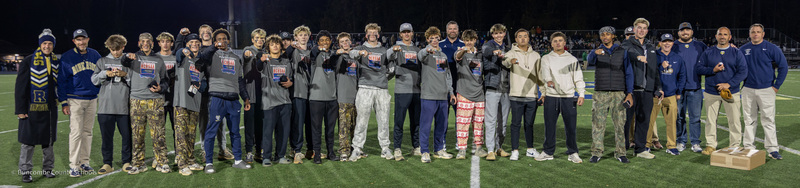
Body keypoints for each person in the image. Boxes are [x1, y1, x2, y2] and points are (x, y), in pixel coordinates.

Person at [200, 28, 252, 173]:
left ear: (228, 40)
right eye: (219, 39)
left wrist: (245, 98)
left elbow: (240, 80)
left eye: (224, 39)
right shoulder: (212, 54)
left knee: (235, 131)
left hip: (234, 99)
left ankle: (237, 160)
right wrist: (213, 47)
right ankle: (209, 163)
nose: (222, 41)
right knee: (211, 131)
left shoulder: (236, 58)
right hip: (217, 97)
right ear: (215, 42)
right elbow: (202, 57)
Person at [122, 33, 170, 174]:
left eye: (148, 41)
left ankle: (162, 162)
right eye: (143, 41)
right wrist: (126, 57)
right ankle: (138, 163)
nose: (145, 43)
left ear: (152, 43)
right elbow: (124, 62)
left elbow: (165, 80)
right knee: (137, 135)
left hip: (155, 101)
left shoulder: (159, 59)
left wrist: (162, 88)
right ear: (139, 43)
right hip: (136, 100)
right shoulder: (133, 57)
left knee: (158, 134)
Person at [16, 29, 60, 182]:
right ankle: (26, 171)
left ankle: (48, 168)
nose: (47, 46)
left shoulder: (56, 61)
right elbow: (20, 87)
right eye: (44, 43)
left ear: (53, 45)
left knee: (48, 141)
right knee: (28, 141)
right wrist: (20, 109)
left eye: (49, 43)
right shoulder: (28, 61)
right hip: (31, 107)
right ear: (40, 44)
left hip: (50, 109)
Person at [695, 27, 748, 155]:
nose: (722, 36)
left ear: (730, 37)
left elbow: (743, 72)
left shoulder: (736, 52)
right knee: (710, 120)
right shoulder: (708, 52)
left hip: (731, 92)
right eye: (720, 34)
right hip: (711, 92)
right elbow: (699, 68)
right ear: (716, 36)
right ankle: (711, 145)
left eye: (725, 34)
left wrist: (729, 84)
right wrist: (713, 70)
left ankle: (734, 145)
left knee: (734, 120)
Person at [536, 31, 586, 164]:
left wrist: (581, 94)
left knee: (571, 127)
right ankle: (548, 152)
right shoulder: (546, 58)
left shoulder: (572, 59)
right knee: (549, 126)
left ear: (565, 43)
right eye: (555, 41)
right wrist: (546, 89)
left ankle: (573, 152)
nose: (558, 43)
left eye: (560, 40)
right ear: (551, 43)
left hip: (568, 97)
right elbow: (544, 75)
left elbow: (578, 78)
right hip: (551, 97)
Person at [587, 26, 634, 164]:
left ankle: (620, 152)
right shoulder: (596, 51)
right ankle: (596, 152)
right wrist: (595, 53)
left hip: (618, 93)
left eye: (608, 34)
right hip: (601, 92)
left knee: (620, 125)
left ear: (613, 36)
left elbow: (629, 73)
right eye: (602, 35)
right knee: (598, 124)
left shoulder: (622, 52)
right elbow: (590, 61)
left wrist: (629, 93)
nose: (605, 37)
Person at [740, 23, 787, 159]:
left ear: (763, 34)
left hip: (767, 89)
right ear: (749, 34)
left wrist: (776, 86)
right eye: (753, 32)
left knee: (768, 119)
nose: (755, 34)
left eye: (758, 32)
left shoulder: (772, 48)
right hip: (748, 89)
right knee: (749, 119)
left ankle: (772, 149)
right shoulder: (743, 49)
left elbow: (783, 66)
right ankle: (748, 146)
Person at [58, 28, 102, 177]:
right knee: (76, 132)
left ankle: (84, 162)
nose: (81, 42)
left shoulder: (95, 54)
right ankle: (74, 165)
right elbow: (61, 81)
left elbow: (100, 75)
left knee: (88, 132)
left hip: (92, 98)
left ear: (88, 39)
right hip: (75, 99)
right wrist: (64, 102)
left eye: (83, 39)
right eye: (78, 39)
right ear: (74, 41)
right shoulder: (67, 57)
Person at [348, 23, 394, 162]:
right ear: (366, 34)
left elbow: (391, 69)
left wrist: (382, 79)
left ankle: (385, 148)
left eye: (375, 32)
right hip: (365, 88)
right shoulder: (360, 48)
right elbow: (351, 53)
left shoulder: (384, 50)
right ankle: (357, 148)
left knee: (384, 120)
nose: (372, 34)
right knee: (361, 120)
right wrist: (360, 53)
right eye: (370, 32)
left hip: (381, 89)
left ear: (378, 35)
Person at [91, 34, 133, 174]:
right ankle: (107, 163)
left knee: (127, 137)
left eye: (118, 49)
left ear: (123, 47)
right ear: (108, 48)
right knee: (106, 138)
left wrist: (125, 75)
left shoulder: (129, 61)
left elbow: (136, 82)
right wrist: (104, 73)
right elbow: (94, 80)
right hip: (105, 107)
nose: (116, 52)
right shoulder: (102, 61)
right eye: (113, 49)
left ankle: (127, 161)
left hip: (124, 107)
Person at [620, 18, 660, 159]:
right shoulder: (627, 43)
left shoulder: (651, 47)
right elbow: (628, 53)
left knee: (643, 120)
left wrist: (658, 87)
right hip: (631, 89)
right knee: (625, 121)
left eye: (644, 28)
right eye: (639, 27)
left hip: (647, 90)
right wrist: (638, 57)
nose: (641, 30)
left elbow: (654, 69)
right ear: (634, 29)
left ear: (647, 31)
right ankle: (622, 149)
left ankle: (640, 149)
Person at [502, 28, 542, 161]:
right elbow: (505, 62)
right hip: (516, 94)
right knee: (515, 123)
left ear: (529, 38)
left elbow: (540, 75)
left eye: (525, 36)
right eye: (520, 36)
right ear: (516, 39)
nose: (523, 38)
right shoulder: (511, 53)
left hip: (532, 95)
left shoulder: (536, 55)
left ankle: (530, 149)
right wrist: (510, 61)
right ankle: (515, 150)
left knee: (529, 124)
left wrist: (544, 91)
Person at [417, 26, 456, 163]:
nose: (434, 40)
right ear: (427, 39)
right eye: (431, 38)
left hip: (443, 96)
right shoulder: (426, 53)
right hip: (428, 96)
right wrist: (427, 50)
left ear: (439, 38)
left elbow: (447, 76)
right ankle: (425, 151)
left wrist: (451, 92)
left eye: (436, 37)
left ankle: (439, 150)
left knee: (441, 125)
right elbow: (420, 55)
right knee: (426, 126)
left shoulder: (443, 55)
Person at [172, 33, 207, 175]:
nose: (194, 44)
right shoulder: (182, 57)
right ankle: (182, 164)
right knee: (181, 134)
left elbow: (204, 84)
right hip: (181, 101)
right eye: (191, 42)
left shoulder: (201, 61)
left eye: (197, 42)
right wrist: (183, 50)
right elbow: (178, 53)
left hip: (195, 101)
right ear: (187, 44)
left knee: (191, 134)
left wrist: (200, 85)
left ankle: (191, 160)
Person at [257, 34, 294, 167]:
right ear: (268, 47)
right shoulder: (265, 61)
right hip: (269, 102)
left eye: (277, 44)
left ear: (281, 46)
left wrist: (290, 83)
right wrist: (261, 60)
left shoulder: (286, 62)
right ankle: (266, 157)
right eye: (272, 44)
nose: (275, 46)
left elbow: (290, 79)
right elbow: (258, 66)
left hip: (285, 101)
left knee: (283, 131)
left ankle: (281, 155)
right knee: (268, 131)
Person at [648, 33, 686, 156]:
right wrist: (660, 66)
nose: (667, 44)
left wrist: (679, 92)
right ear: (660, 43)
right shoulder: (654, 55)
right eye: (664, 41)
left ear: (672, 43)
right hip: (655, 95)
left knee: (671, 122)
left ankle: (671, 146)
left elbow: (682, 76)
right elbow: (649, 72)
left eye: (669, 41)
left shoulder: (678, 58)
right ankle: (647, 144)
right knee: (650, 122)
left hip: (670, 96)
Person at [388, 23, 422, 161]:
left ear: (412, 33)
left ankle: (416, 147)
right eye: (404, 32)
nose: (407, 34)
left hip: (417, 90)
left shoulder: (417, 49)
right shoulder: (396, 48)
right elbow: (388, 56)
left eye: (409, 32)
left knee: (416, 121)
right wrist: (393, 50)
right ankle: (397, 148)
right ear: (400, 34)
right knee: (399, 121)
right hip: (402, 90)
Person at [453, 29, 488, 160]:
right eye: (466, 40)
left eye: (471, 40)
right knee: (463, 123)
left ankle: (478, 147)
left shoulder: (480, 55)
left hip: (479, 93)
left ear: (475, 40)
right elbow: (457, 56)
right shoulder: (460, 52)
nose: (469, 42)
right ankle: (462, 149)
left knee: (479, 122)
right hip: (464, 93)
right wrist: (463, 50)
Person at [673, 22, 707, 153]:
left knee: (695, 117)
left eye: (687, 30)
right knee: (679, 117)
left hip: (695, 87)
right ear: (679, 32)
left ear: (692, 32)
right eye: (683, 30)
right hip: (678, 89)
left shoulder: (701, 46)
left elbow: (712, 57)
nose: (685, 32)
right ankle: (681, 141)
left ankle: (695, 142)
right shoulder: (673, 45)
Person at [308, 30, 341, 164]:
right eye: (321, 40)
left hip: (332, 98)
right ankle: (316, 154)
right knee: (316, 129)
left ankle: (331, 152)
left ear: (331, 41)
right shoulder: (315, 55)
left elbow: (333, 61)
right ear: (317, 42)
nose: (324, 42)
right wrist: (318, 49)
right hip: (316, 98)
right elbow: (312, 54)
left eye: (327, 40)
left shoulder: (334, 55)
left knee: (330, 129)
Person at [482, 24, 512, 160]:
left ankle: (499, 147)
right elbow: (486, 52)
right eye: (496, 33)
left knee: (503, 121)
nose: (499, 36)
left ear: (504, 34)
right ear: (492, 35)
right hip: (493, 88)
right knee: (491, 120)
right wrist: (495, 53)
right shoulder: (489, 45)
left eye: (501, 33)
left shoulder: (508, 48)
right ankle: (490, 150)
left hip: (506, 89)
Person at [289, 25, 314, 164]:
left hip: (312, 93)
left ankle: (311, 149)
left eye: (305, 34)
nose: (303, 37)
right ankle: (297, 150)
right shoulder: (293, 51)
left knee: (311, 123)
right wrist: (291, 46)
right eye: (300, 35)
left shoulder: (312, 52)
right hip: (298, 92)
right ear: (296, 37)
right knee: (298, 123)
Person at [242, 28, 267, 163]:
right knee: (250, 125)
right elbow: (247, 55)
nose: (260, 40)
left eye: (262, 38)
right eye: (257, 38)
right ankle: (249, 151)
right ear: (252, 39)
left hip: (263, 94)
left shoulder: (265, 53)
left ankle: (259, 150)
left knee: (260, 124)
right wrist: (247, 54)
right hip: (250, 94)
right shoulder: (249, 50)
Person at [334, 32, 359, 161]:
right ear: (339, 44)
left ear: (351, 42)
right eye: (342, 41)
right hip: (343, 96)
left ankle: (356, 149)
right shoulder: (338, 57)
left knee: (356, 125)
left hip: (356, 96)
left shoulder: (355, 57)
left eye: (347, 41)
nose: (345, 43)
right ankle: (344, 150)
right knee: (344, 126)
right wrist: (341, 54)